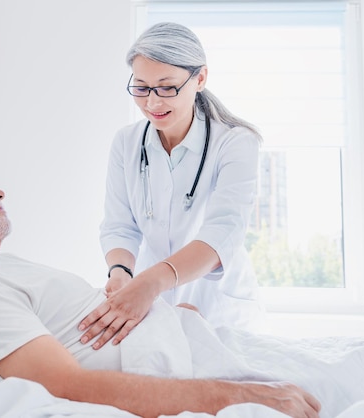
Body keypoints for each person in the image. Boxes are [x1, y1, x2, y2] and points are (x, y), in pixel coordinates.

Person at [0, 159, 320, 418]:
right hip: (203, 376)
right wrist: (238, 396)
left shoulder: (1, 270)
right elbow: (65, 385)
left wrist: (175, 318)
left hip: (200, 343)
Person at [81, 22, 264, 349]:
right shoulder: (126, 142)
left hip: (216, 301)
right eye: (141, 87)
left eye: (167, 88)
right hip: (152, 299)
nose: (152, 103)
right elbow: (120, 225)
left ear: (200, 79)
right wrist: (121, 272)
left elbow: (221, 234)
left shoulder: (236, 143)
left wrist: (149, 283)